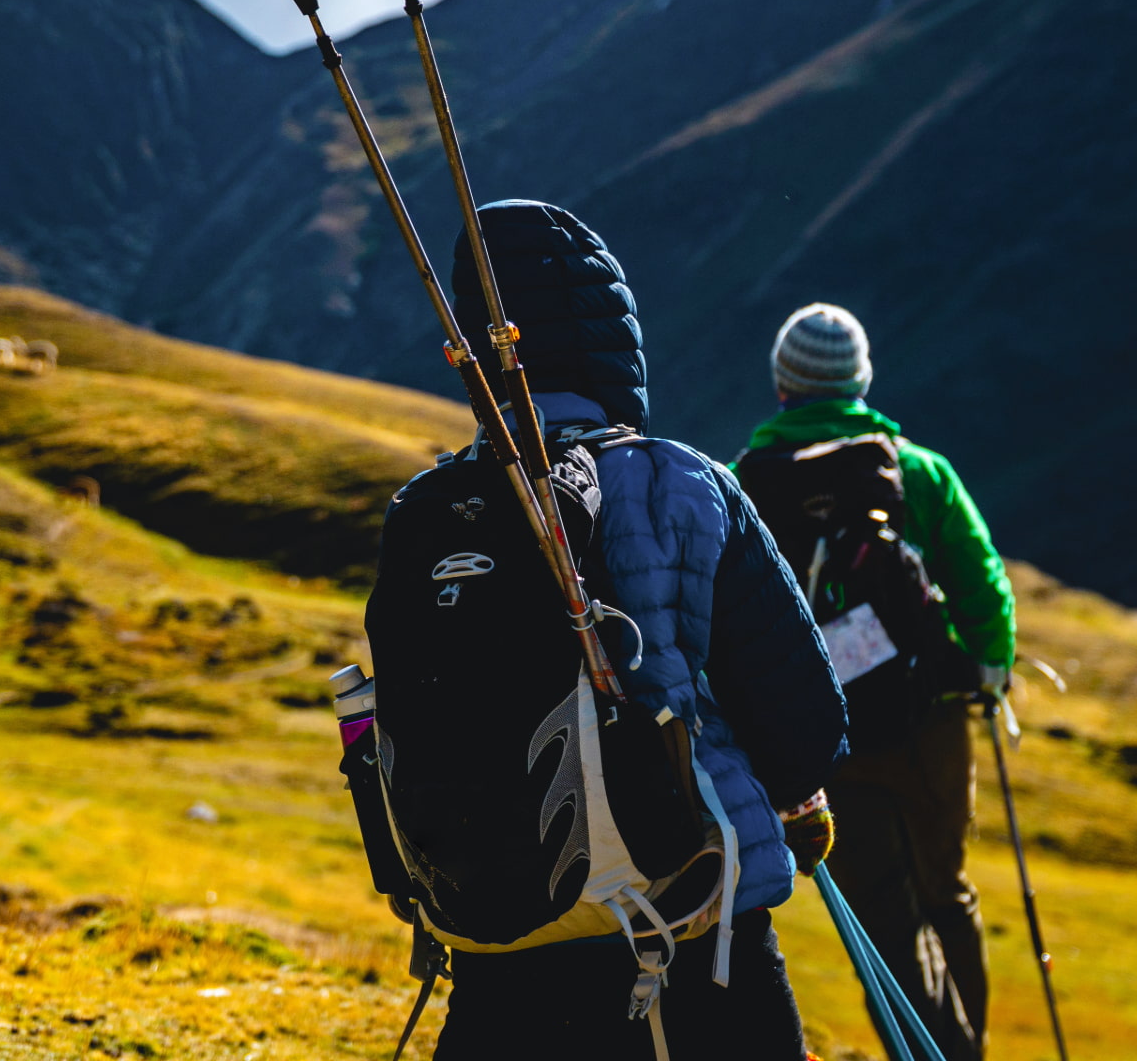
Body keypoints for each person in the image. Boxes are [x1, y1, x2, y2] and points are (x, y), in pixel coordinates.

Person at [424, 201, 850, 1060]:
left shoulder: (431, 513)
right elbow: (804, 732)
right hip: (693, 941)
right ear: (612, 334)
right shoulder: (683, 484)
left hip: (496, 945)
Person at [734, 303, 1017, 1061]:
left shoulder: (745, 485)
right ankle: (967, 1051)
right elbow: (981, 578)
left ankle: (925, 1049)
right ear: (860, 379)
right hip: (929, 721)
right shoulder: (918, 473)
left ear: (782, 382)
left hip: (821, 737)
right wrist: (990, 670)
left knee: (881, 920)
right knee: (947, 894)